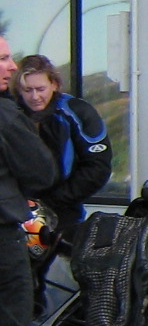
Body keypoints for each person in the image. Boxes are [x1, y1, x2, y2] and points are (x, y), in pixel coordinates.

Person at [0, 35, 61, 326]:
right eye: (3, 58)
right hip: (2, 244)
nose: (11, 66)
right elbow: (42, 172)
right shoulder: (6, 116)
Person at [14, 55, 112, 252]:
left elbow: (98, 167)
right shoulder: (10, 114)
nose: (35, 97)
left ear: (54, 84)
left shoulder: (77, 112)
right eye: (28, 90)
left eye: (40, 89)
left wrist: (51, 202)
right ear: (18, 89)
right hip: (15, 212)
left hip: (64, 214)